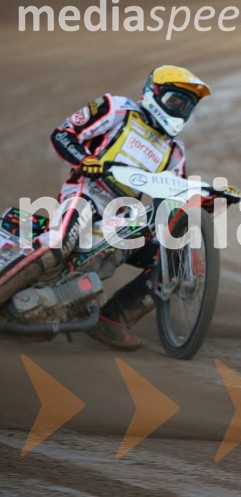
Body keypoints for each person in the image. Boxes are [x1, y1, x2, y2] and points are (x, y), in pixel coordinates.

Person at [0, 65, 211, 350]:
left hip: (122, 217)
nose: (181, 109)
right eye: (176, 100)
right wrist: (85, 160)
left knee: (169, 261)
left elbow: (174, 199)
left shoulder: (176, 152)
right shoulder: (117, 108)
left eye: (188, 105)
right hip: (86, 194)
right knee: (59, 244)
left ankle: (113, 319)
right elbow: (64, 134)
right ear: (155, 93)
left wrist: (199, 206)